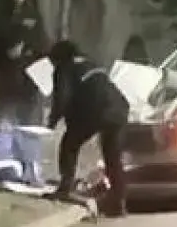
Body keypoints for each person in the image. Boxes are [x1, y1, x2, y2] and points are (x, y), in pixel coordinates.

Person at [45, 40, 130, 217]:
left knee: (69, 144)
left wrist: (52, 120)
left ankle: (65, 188)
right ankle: (118, 203)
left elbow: (63, 97)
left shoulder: (64, 68)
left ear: (58, 58)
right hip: (119, 108)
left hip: (95, 111)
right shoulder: (91, 63)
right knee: (113, 157)